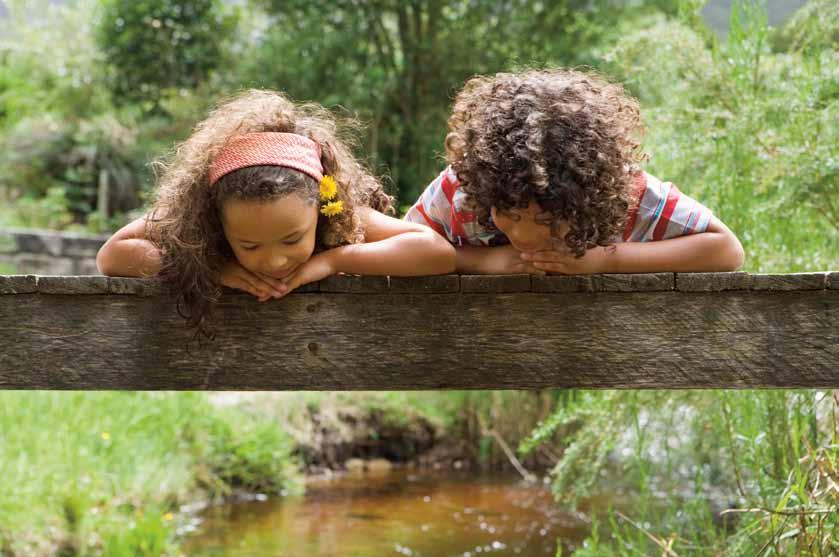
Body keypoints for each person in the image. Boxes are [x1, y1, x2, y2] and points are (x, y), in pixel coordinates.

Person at [98, 90, 455, 335]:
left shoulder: (338, 218)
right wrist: (211, 268)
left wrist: (332, 261)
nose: (274, 262)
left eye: (292, 239)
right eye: (250, 246)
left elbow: (436, 253)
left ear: (319, 208)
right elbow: (113, 255)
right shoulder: (202, 224)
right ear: (215, 219)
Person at [404, 69, 744, 275]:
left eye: (546, 221)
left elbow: (726, 250)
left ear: (586, 201)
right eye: (508, 214)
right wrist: (481, 262)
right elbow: (403, 245)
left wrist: (607, 260)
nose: (524, 236)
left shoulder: (619, 191)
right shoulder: (467, 185)